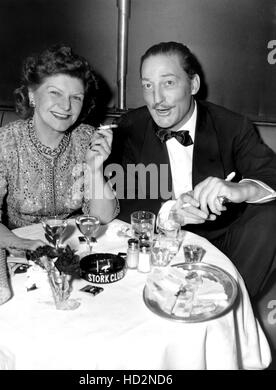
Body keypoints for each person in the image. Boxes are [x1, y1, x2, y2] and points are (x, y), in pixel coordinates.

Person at [109, 41, 276, 298]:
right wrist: (170, 213)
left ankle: (230, 310)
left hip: (224, 240)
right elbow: (120, 199)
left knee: (270, 218)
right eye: (147, 85)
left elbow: (271, 175)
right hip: (159, 242)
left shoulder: (232, 126)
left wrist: (241, 189)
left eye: (168, 83)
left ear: (193, 85)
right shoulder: (131, 126)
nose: (157, 99)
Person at [0, 44, 118, 252]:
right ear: (32, 95)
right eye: (55, 93)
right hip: (18, 247)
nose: (66, 106)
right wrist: (23, 244)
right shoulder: (1, 143)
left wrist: (95, 168)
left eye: (76, 98)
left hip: (74, 246)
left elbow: (102, 217)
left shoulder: (87, 137)